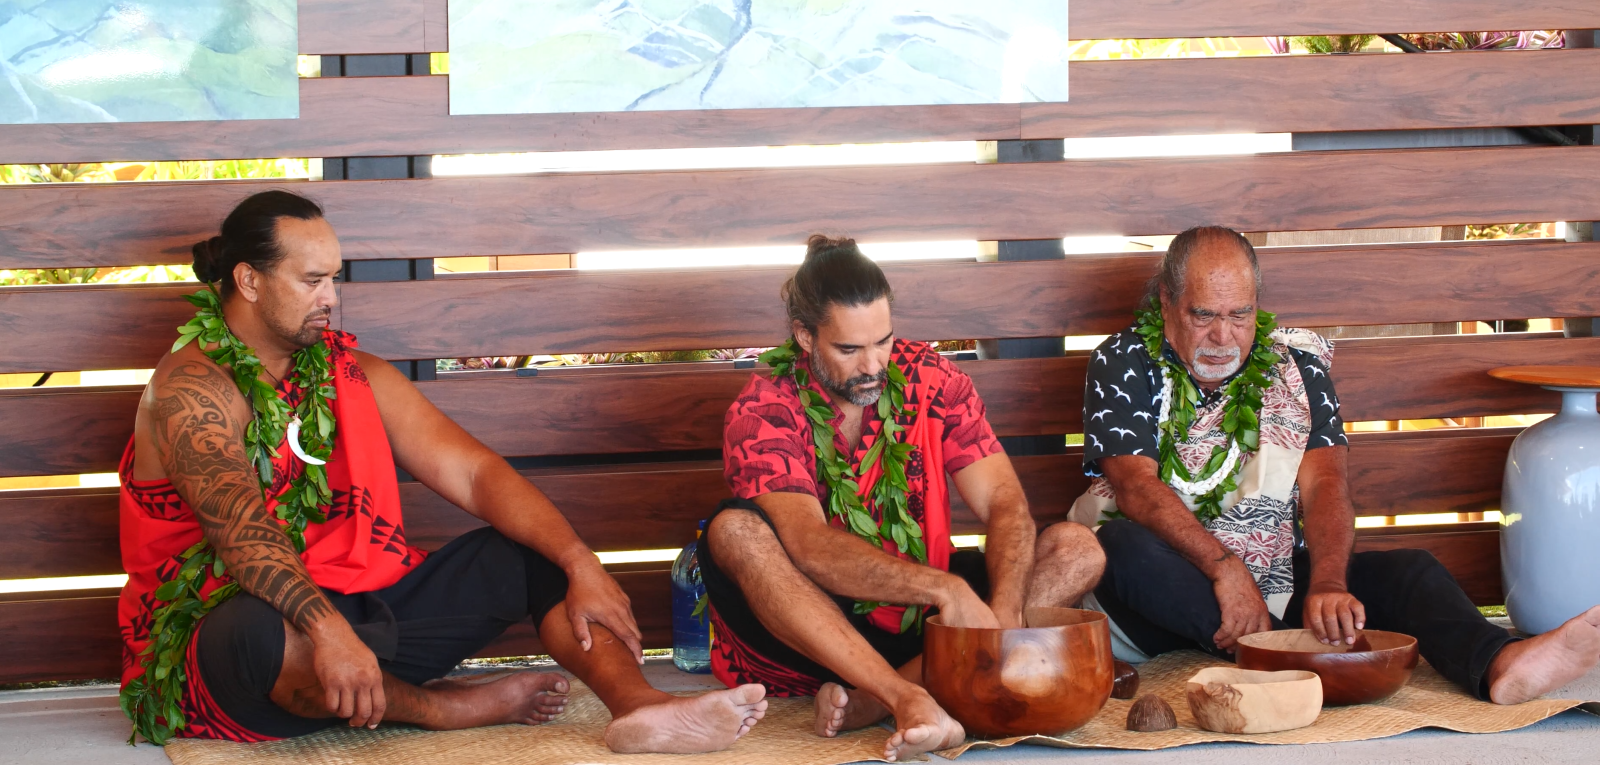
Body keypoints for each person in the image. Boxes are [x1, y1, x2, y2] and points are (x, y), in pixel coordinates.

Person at [118, 190, 767, 749]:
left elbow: (477, 475)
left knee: (530, 551)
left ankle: (641, 706)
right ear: (249, 280)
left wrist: (579, 561)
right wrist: (329, 631)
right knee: (257, 634)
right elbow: (244, 538)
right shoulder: (191, 391)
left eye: (334, 278)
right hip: (232, 643)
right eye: (311, 280)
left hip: (354, 620)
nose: (331, 298)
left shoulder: (353, 373)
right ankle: (448, 707)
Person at [1071, 225, 1600, 704]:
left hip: (1272, 580)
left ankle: (1499, 664)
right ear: (1167, 302)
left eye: (1240, 315)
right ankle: (1296, 663)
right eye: (1203, 314)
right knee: (1120, 546)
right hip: (1161, 592)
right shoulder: (1123, 360)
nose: (1223, 336)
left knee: (1407, 570)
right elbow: (1135, 487)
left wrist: (1326, 582)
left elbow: (1326, 483)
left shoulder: (1296, 369)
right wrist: (1224, 567)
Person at [699, 235, 1107, 762]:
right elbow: (808, 546)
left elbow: (1005, 503)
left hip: (927, 628)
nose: (873, 365)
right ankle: (906, 695)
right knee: (733, 531)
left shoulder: (933, 377)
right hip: (810, 628)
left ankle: (875, 698)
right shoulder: (764, 409)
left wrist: (1000, 619)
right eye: (849, 350)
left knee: (1078, 547)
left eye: (883, 341)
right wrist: (948, 590)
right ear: (803, 335)